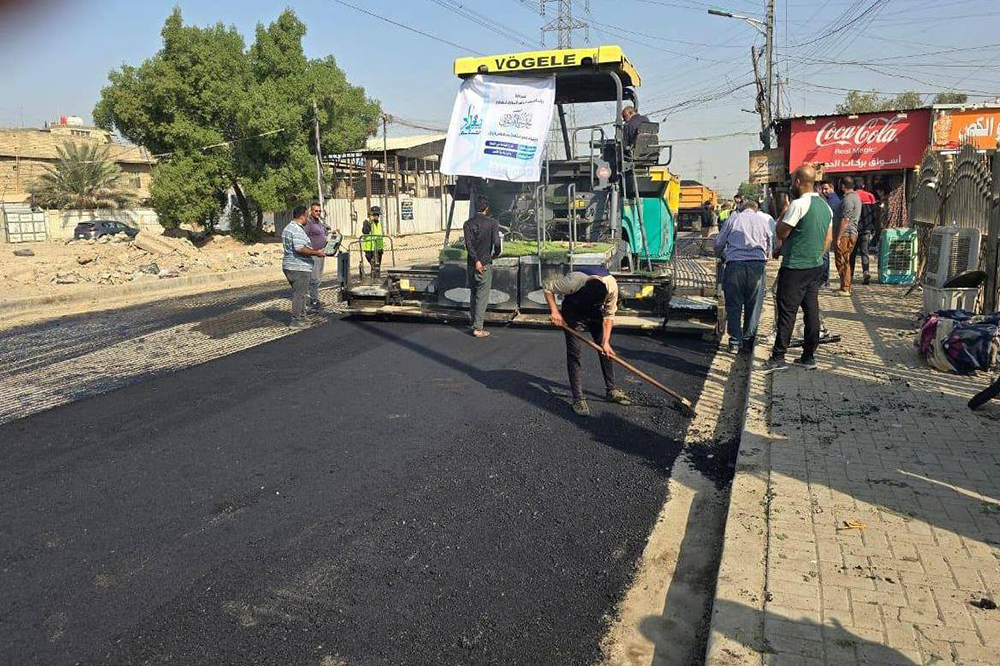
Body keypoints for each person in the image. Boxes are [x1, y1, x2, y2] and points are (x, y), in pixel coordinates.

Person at [764, 165, 832, 372]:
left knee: (787, 312)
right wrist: (816, 255)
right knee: (811, 310)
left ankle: (778, 357)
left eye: (793, 180)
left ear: (798, 182)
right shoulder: (825, 206)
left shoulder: (799, 204)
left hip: (795, 267)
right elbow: (827, 239)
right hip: (815, 266)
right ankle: (808, 356)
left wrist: (784, 211)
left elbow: (782, 232)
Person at [544, 268, 631, 417]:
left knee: (605, 351)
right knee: (574, 353)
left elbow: (609, 315)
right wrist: (555, 312)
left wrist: (606, 341)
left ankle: (611, 390)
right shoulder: (573, 281)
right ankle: (578, 398)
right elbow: (547, 287)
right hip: (573, 311)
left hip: (595, 313)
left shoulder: (611, 287)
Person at [715, 199, 774, 354]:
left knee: (734, 304)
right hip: (757, 266)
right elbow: (771, 242)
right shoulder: (763, 220)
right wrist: (765, 256)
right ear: (756, 209)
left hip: (735, 266)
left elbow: (719, 243)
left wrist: (721, 255)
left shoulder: (733, 219)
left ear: (741, 208)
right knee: (753, 305)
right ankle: (748, 341)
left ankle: (734, 341)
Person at [282, 205, 327, 329]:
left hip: (290, 265)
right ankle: (296, 320)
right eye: (307, 215)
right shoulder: (296, 230)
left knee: (300, 293)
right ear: (302, 216)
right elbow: (299, 248)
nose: (308, 218)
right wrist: (316, 253)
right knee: (299, 295)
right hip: (298, 267)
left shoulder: (288, 228)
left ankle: (302, 317)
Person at [463, 195, 501, 338]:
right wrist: (495, 255)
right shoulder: (492, 223)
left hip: (471, 264)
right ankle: (478, 328)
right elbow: (497, 243)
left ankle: (474, 322)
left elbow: (468, 245)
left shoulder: (468, 224)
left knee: (473, 294)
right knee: (482, 296)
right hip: (484, 263)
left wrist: (475, 260)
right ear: (487, 209)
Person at [834, 176, 862, 296]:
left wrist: (839, 237)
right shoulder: (855, 197)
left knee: (843, 260)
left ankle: (845, 288)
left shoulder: (848, 200)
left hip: (846, 234)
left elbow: (845, 219)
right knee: (844, 260)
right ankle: (844, 286)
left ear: (842, 186)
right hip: (851, 232)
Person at [304, 201, 329, 312]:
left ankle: (314, 298)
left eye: (319, 211)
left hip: (322, 254)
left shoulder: (320, 222)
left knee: (318, 278)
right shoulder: (308, 223)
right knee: (314, 278)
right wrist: (311, 251)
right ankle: (313, 301)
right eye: (316, 211)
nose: (318, 213)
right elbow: (304, 238)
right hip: (314, 254)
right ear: (311, 211)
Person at [851, 184, 878, 285]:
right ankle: (865, 272)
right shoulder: (870, 196)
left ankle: (850, 276)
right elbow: (875, 214)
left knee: (852, 253)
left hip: (854, 229)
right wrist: (874, 228)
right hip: (866, 229)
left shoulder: (852, 197)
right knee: (864, 252)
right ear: (863, 186)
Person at [820, 181, 840, 288]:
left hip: (829, 232)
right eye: (823, 189)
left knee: (825, 256)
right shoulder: (830, 199)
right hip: (829, 231)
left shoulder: (832, 200)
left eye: (826, 189)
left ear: (832, 188)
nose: (824, 191)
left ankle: (824, 280)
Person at [361, 205, 384, 279]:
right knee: (373, 265)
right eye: (375, 215)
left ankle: (376, 279)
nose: (377, 216)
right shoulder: (367, 222)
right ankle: (374, 279)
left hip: (378, 248)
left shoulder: (378, 223)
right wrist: (370, 222)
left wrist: (381, 248)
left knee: (377, 266)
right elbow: (365, 231)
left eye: (377, 215)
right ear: (371, 215)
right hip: (370, 248)